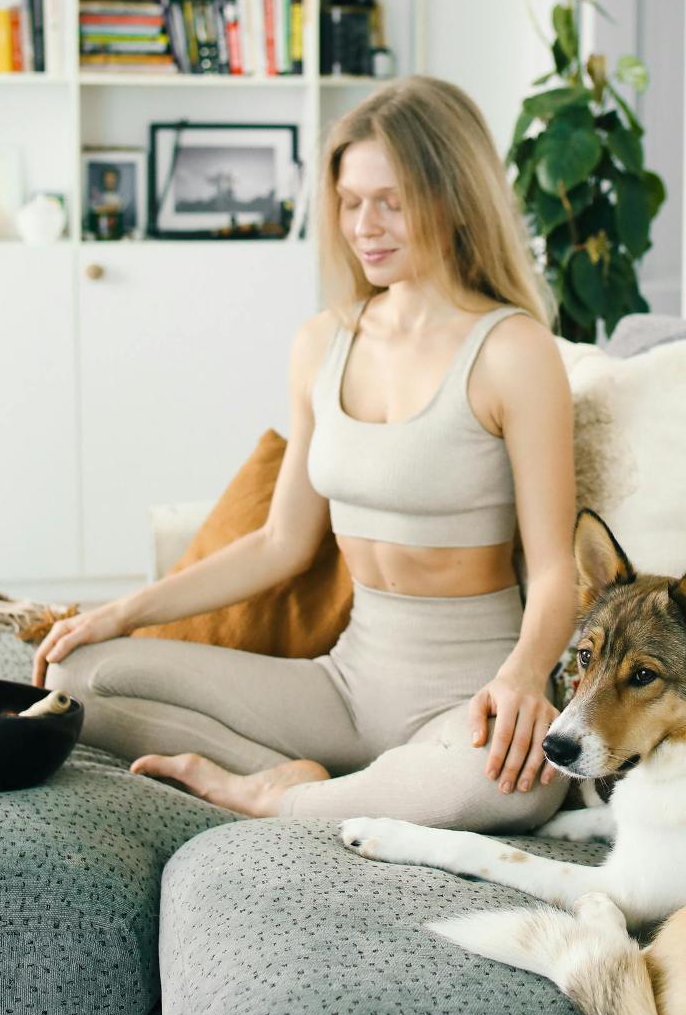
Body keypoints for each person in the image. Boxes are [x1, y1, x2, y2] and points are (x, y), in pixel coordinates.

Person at [34, 76, 576, 832]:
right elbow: (281, 543)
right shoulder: (323, 342)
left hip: (466, 696)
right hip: (345, 688)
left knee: (511, 783)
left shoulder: (514, 352)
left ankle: (276, 796)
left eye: (391, 200)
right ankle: (325, 786)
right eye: (350, 203)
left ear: (452, 197)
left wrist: (523, 678)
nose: (366, 225)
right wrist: (119, 612)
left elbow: (556, 567)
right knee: (76, 677)